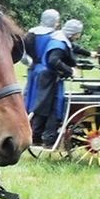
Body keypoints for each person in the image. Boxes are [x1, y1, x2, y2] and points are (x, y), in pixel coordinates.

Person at [25, 16, 81, 148]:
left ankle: (37, 134)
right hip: (47, 75)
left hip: (38, 71)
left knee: (41, 105)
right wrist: (70, 70)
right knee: (48, 106)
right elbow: (53, 60)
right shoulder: (57, 40)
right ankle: (44, 136)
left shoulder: (36, 34)